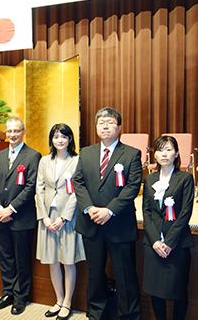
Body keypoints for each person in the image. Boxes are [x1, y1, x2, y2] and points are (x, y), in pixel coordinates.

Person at [73, 107, 142, 320]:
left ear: (119, 128)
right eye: (101, 122)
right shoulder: (86, 152)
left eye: (110, 122)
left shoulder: (131, 153)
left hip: (119, 224)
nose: (105, 125)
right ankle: (96, 314)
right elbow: (78, 181)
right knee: (94, 274)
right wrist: (90, 208)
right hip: (91, 222)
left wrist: (110, 210)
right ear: (96, 127)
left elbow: (132, 186)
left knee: (125, 275)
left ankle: (128, 316)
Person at [0, 117, 42, 315]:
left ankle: (21, 297)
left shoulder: (33, 155)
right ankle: (8, 292)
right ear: (5, 132)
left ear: (23, 131)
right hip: (0, 217)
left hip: (21, 217)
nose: (12, 135)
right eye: (9, 131)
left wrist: (11, 209)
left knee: (21, 259)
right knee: (5, 258)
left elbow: (31, 187)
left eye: (16, 131)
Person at [36, 123, 86, 320]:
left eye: (63, 137)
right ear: (52, 139)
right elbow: (39, 190)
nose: (60, 140)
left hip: (68, 217)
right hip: (48, 217)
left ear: (70, 140)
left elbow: (76, 191)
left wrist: (65, 217)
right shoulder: (44, 161)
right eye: (56, 136)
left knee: (68, 261)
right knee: (53, 261)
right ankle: (58, 300)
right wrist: (44, 217)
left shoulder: (77, 161)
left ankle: (67, 303)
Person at [142, 136, 195, 320]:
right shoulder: (149, 179)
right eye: (160, 149)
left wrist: (169, 242)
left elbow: (186, 212)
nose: (164, 154)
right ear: (154, 154)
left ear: (177, 153)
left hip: (177, 243)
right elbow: (146, 213)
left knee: (178, 290)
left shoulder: (185, 178)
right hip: (153, 244)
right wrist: (155, 241)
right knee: (155, 290)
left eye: (169, 149)